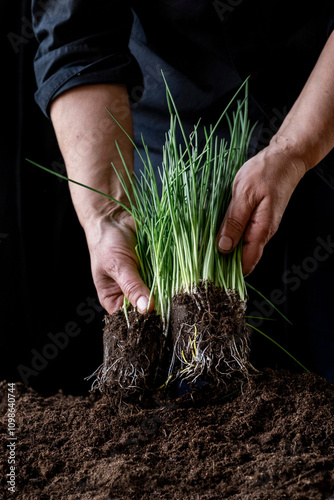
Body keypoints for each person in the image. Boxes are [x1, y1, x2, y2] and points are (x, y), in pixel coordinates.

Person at [31, 1, 334, 380]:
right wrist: (106, 215)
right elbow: (75, 36)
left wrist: (294, 150)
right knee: (191, 406)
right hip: (175, 138)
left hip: (324, 115)